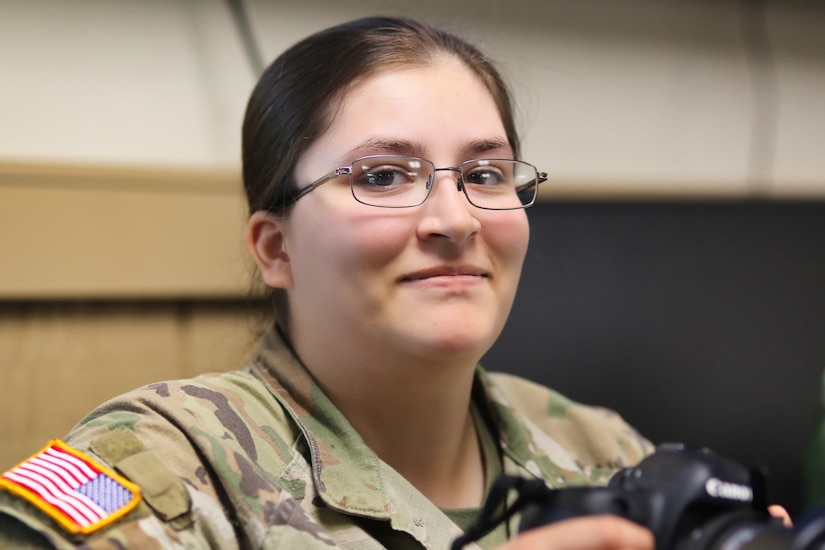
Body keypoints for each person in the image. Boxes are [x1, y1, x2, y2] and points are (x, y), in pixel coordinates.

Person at [3, 15, 780, 549]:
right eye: (381, 175)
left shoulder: (599, 447)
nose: (454, 218)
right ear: (275, 249)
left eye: (485, 173)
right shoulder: (163, 464)